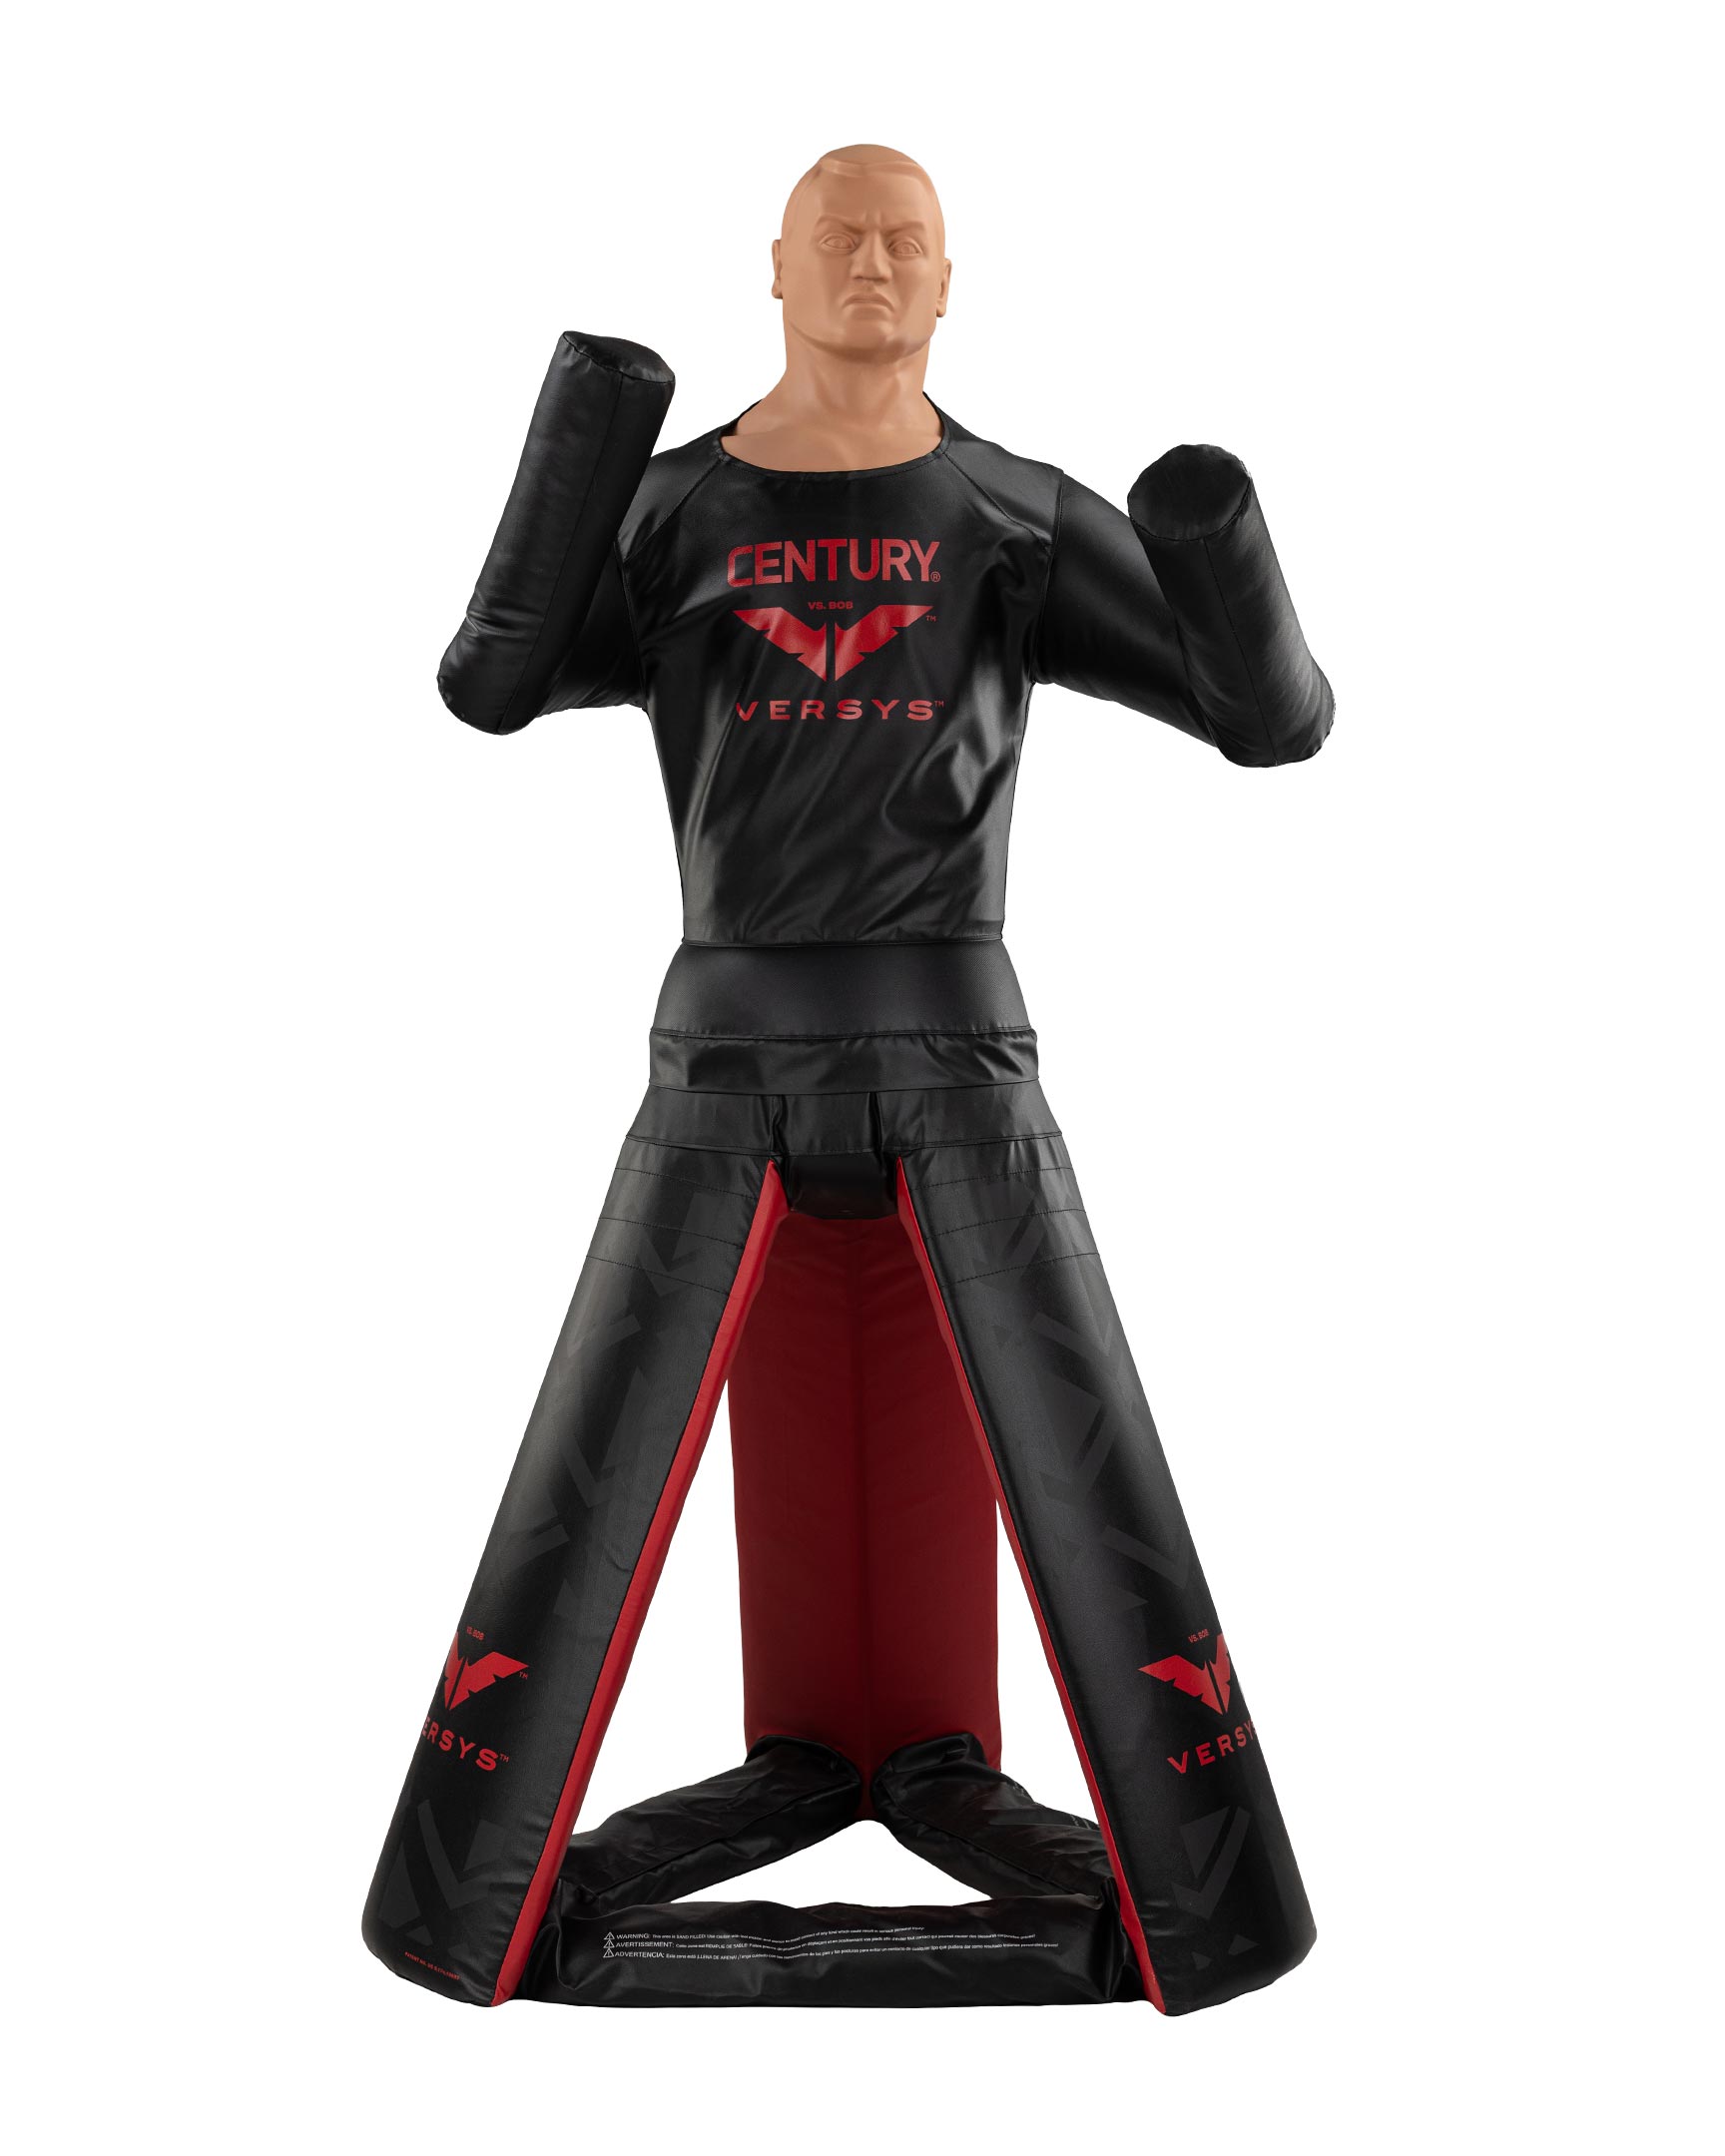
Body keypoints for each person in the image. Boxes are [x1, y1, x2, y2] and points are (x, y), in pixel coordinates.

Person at [364, 145, 1333, 2016]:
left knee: (1072, 1479)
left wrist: (1219, 542)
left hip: (957, 1049)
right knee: (608, 1472)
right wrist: (576, 449)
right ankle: (494, 1889)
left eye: (907, 241)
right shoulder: (668, 512)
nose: (874, 264)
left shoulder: (1012, 515)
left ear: (952, 279)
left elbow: (1270, 720)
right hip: (721, 1058)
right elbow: (488, 685)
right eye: (840, 238)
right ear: (777, 268)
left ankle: (1154, 1878)